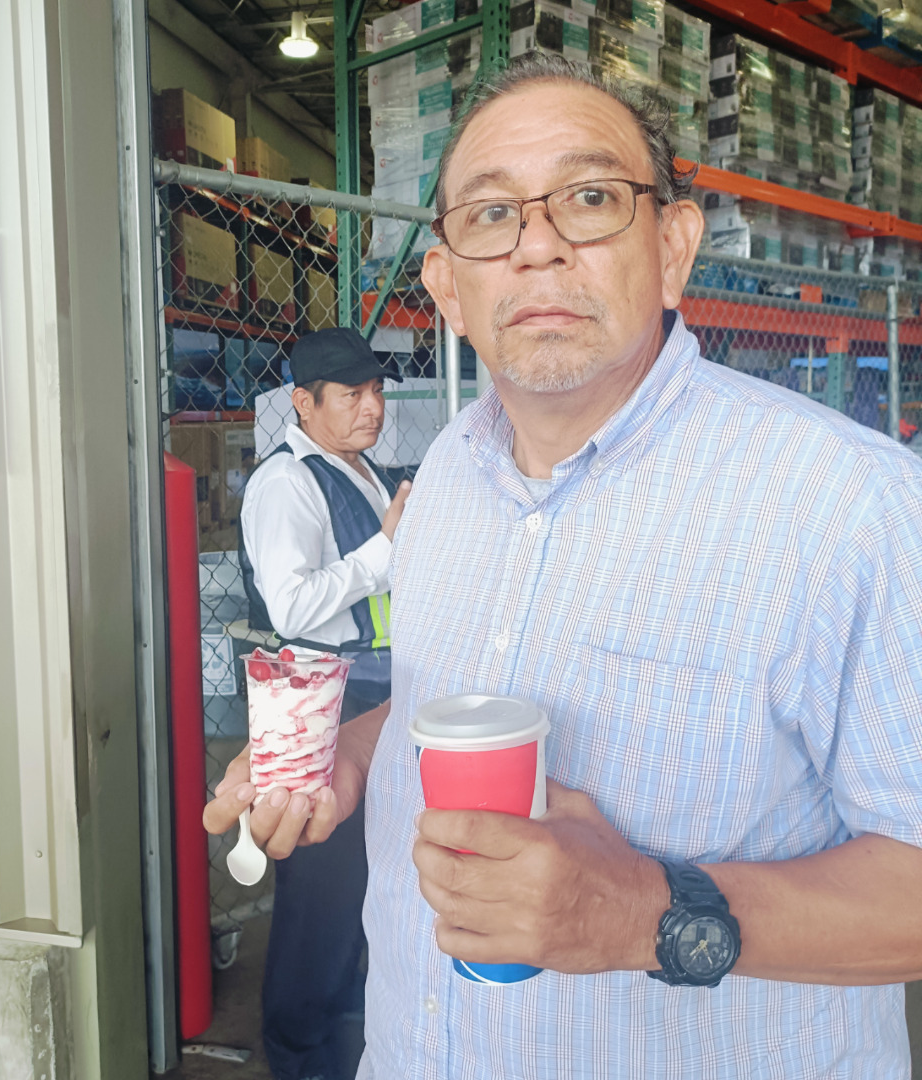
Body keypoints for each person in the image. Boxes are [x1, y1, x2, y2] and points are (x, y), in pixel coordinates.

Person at [207, 56, 922, 1079]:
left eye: (589, 199)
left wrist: (646, 913)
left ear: (673, 248)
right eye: (492, 214)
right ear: (448, 287)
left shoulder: (851, 506)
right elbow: (444, 692)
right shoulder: (446, 475)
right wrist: (355, 752)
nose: (537, 244)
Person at [237, 326, 411, 1080]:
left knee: (363, 883)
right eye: (351, 394)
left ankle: (344, 1047)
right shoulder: (287, 483)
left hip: (375, 693)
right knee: (322, 893)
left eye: (376, 391)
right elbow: (293, 604)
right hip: (323, 703)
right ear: (303, 403)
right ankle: (299, 1054)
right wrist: (384, 553)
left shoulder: (360, 469)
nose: (372, 407)